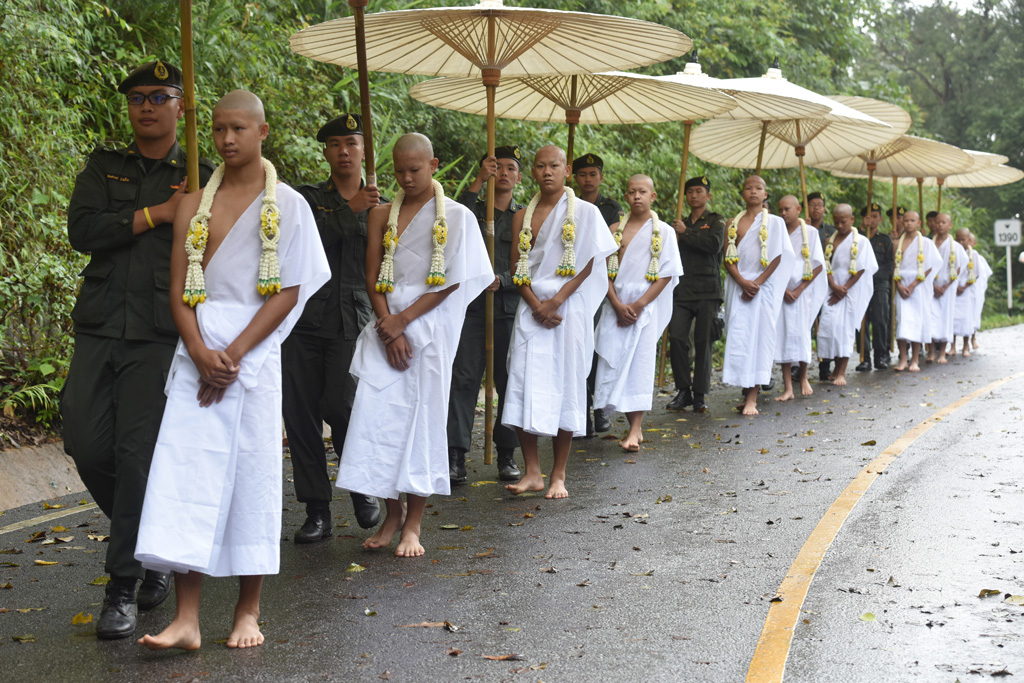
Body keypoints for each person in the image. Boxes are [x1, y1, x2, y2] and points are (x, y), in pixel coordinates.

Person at [134, 90, 330, 650]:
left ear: (262, 131)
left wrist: (236, 353)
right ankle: (187, 618)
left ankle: (248, 611)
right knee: (186, 476)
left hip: (254, 354)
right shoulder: (194, 203)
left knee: (252, 477)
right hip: (197, 354)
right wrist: (198, 350)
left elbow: (288, 291)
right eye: (218, 129)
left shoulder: (288, 205)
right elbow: (178, 292)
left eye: (238, 128)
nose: (226, 139)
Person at [62, 60, 215, 640]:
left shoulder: (202, 175)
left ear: (181, 106)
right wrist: (158, 213)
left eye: (160, 96)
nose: (146, 106)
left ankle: (122, 585)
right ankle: (149, 540)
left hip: (160, 331)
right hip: (101, 324)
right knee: (83, 439)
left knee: (136, 459)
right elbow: (84, 231)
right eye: (137, 98)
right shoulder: (106, 166)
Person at [335, 133, 492, 557]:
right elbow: (372, 274)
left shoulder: (457, 216)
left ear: (434, 164)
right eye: (399, 170)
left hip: (429, 327)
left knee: (421, 420)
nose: (405, 177)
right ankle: (392, 512)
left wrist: (405, 320)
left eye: (415, 170)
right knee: (376, 418)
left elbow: (454, 278)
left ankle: (415, 523)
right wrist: (387, 323)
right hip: (386, 326)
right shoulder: (380, 214)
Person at [284, 114, 382, 545]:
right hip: (304, 321)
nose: (344, 150)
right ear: (325, 151)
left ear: (364, 151)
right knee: (301, 416)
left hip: (354, 320)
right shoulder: (307, 199)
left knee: (343, 407)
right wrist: (349, 211)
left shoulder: (384, 204)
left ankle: (361, 486)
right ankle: (317, 509)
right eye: (335, 143)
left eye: (352, 143)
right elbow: (298, 245)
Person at [503, 145, 617, 498]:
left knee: (567, 384)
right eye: (540, 166)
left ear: (567, 171)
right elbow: (517, 269)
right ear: (533, 172)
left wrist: (555, 300)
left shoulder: (585, 212)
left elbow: (590, 262)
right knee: (523, 383)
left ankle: (559, 475)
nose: (547, 172)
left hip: (568, 309)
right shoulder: (522, 215)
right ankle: (532, 471)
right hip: (531, 309)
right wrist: (536, 303)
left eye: (554, 166)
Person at [447, 145, 525, 483]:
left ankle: (507, 455)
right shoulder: (472, 211)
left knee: (508, 381)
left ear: (519, 177)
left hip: (507, 309)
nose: (503, 173)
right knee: (463, 380)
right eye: (497, 167)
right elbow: (447, 222)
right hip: (472, 309)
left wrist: (503, 280)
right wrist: (478, 181)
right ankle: (456, 455)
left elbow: (533, 263)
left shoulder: (524, 216)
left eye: (511, 168)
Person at [593, 175, 682, 451]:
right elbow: (601, 269)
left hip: (645, 307)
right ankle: (632, 427)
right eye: (631, 192)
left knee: (639, 366)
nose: (636, 197)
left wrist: (640, 304)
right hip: (616, 305)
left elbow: (666, 274)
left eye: (642, 191)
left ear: (652, 196)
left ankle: (634, 429)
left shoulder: (664, 231)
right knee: (616, 363)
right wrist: (617, 304)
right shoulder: (615, 230)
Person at [721, 176, 793, 416]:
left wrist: (757, 284)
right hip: (737, 284)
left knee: (759, 338)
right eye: (749, 188)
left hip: (763, 286)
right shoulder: (733, 223)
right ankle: (745, 391)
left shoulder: (775, 222)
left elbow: (778, 256)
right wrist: (742, 282)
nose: (753, 191)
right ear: (742, 194)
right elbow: (727, 258)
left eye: (758, 188)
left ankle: (753, 397)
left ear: (765, 194)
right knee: (740, 337)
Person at [573, 152, 622, 435]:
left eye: (593, 174)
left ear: (601, 177)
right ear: (574, 177)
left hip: (600, 283)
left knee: (597, 347)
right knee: (578, 348)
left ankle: (599, 408)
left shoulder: (610, 207)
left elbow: (609, 246)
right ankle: (581, 413)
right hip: (569, 282)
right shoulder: (568, 205)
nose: (588, 179)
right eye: (582, 174)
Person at [667, 175, 725, 413]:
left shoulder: (715, 220)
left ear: (708, 196)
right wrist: (676, 233)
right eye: (690, 192)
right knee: (678, 338)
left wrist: (686, 234)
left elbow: (714, 245)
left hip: (708, 290)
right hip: (681, 289)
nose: (694, 196)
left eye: (699, 191)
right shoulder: (677, 224)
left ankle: (700, 394)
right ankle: (683, 391)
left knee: (703, 342)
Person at [816, 204, 878, 386]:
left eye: (843, 222)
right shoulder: (829, 241)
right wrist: (834, 285)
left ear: (851, 220)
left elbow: (863, 267)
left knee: (844, 330)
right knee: (829, 328)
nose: (839, 225)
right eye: (836, 222)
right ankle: (834, 367)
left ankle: (841, 371)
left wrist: (845, 288)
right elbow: (825, 265)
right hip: (832, 288)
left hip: (852, 290)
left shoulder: (862, 241)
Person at [773, 195, 826, 400]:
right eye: (780, 210)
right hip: (781, 290)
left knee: (802, 334)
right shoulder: (776, 232)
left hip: (803, 293)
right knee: (782, 335)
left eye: (787, 209)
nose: (783, 213)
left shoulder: (810, 233)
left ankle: (803, 377)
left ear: (798, 209)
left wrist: (798, 289)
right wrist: (784, 289)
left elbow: (818, 264)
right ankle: (787, 387)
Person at [892, 210, 940, 372]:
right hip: (901, 285)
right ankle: (903, 358)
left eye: (912, 220)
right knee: (902, 322)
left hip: (918, 287)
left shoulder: (926, 243)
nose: (908, 223)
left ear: (919, 223)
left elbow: (930, 266)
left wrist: (912, 285)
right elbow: (894, 267)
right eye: (906, 220)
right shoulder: (897, 242)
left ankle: (915, 359)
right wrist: (899, 286)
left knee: (917, 321)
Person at [855, 202, 894, 371]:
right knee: (861, 320)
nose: (872, 220)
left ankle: (881, 355)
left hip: (880, 284)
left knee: (880, 319)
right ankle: (864, 357)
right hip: (859, 284)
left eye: (875, 217)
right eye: (868, 217)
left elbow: (890, 264)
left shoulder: (885, 240)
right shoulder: (857, 239)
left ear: (880, 219)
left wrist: (874, 274)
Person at [926, 213, 967, 364]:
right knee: (930, 317)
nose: (940, 225)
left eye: (943, 222)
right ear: (933, 225)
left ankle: (942, 352)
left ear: (950, 225)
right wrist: (933, 285)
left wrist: (946, 285)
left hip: (947, 287)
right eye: (937, 222)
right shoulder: (928, 243)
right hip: (930, 286)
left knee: (945, 317)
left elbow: (960, 267)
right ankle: (931, 351)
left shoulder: (955, 246)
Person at [807, 191, 835, 381]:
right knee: (806, 323)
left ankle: (825, 364)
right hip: (805, 280)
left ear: (824, 209)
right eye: (812, 204)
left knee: (825, 324)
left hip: (826, 281)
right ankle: (799, 365)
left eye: (819, 205)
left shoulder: (832, 231)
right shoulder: (800, 227)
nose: (815, 208)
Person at [953, 228, 980, 356]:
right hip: (953, 289)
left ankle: (965, 346)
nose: (960, 242)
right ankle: (952, 346)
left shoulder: (973, 254)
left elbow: (977, 273)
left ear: (969, 240)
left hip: (967, 290)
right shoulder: (954, 252)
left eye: (963, 239)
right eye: (958, 239)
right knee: (953, 318)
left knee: (966, 319)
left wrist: (964, 286)